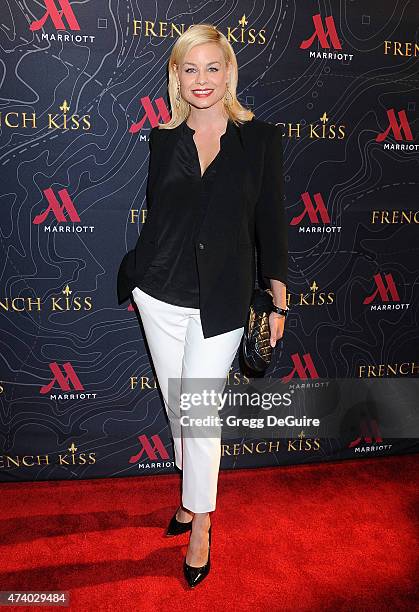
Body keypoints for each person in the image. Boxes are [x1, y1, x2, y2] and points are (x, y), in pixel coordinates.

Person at [117, 23, 288, 588]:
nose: (202, 79)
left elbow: (270, 223)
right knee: (177, 409)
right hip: (160, 295)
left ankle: (201, 526)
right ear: (176, 77)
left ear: (229, 72)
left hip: (223, 302)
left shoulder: (259, 138)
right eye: (189, 69)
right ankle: (190, 501)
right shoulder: (162, 140)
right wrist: (139, 283)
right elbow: (160, 216)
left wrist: (278, 297)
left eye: (212, 67)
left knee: (199, 413)